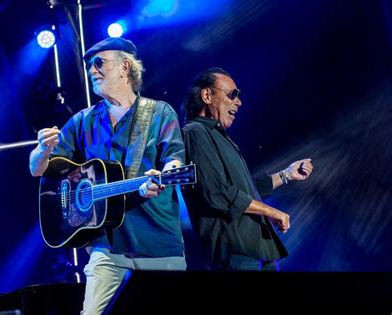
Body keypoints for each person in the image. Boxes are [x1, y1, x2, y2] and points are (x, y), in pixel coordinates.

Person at [29, 37, 186, 314]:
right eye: (90, 65)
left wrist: (165, 175)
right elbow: (37, 169)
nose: (92, 70)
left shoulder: (160, 112)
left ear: (126, 66)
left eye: (99, 63)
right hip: (106, 246)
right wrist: (42, 150)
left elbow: (174, 160)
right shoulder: (82, 120)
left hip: (159, 243)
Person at [181, 67, 313, 271]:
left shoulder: (222, 138)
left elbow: (246, 190)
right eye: (232, 94)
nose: (239, 102)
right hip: (235, 251)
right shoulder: (195, 133)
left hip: (258, 248)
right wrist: (272, 212)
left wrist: (287, 174)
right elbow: (216, 193)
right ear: (207, 95)